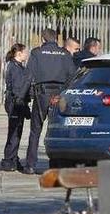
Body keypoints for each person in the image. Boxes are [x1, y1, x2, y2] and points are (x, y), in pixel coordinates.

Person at [25, 29, 76, 174]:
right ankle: (56, 163)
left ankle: (30, 165)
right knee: (58, 129)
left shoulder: (36, 52)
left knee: (35, 130)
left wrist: (25, 95)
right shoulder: (65, 54)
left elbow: (29, 75)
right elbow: (72, 76)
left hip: (42, 94)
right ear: (56, 39)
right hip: (59, 95)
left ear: (43, 39)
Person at [0, 43, 31, 172]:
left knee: (17, 132)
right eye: (25, 52)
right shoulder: (14, 67)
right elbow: (18, 88)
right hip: (15, 104)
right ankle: (8, 160)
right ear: (19, 54)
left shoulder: (18, 66)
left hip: (18, 103)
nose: (26, 54)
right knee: (13, 133)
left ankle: (13, 158)